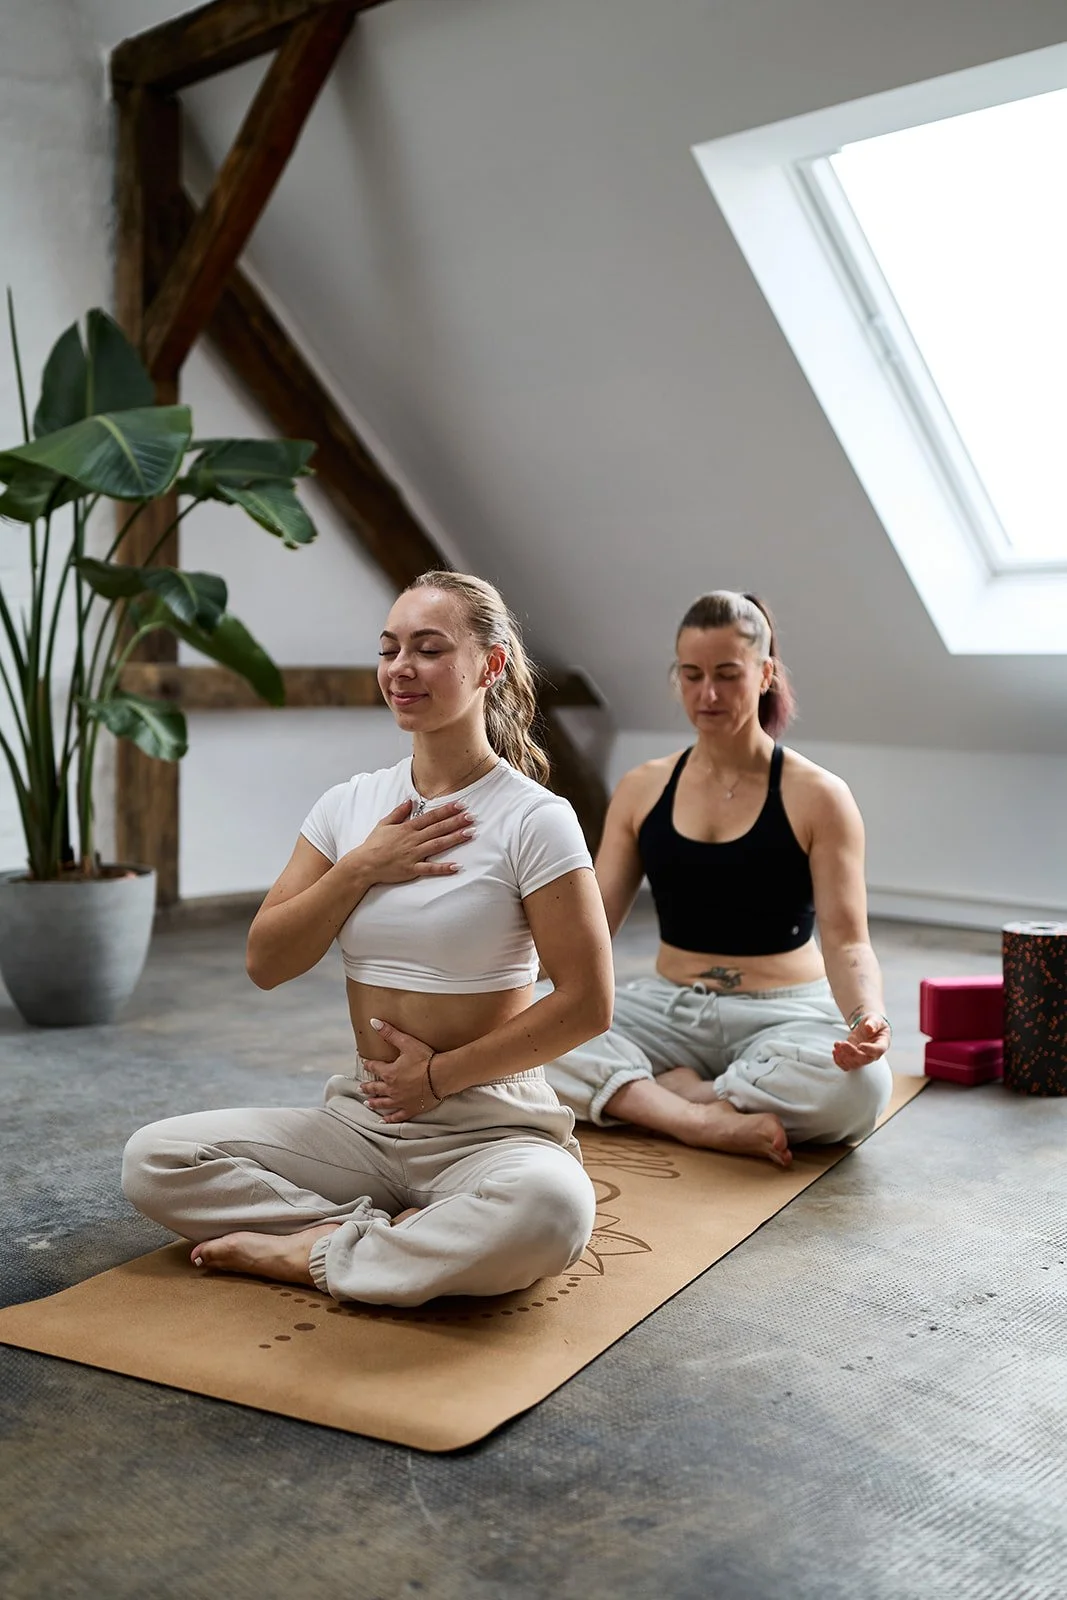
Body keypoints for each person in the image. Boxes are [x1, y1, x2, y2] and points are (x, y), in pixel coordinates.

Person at [122, 572, 613, 1307]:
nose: (400, 669)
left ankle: (316, 1249)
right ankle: (379, 1239)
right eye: (389, 650)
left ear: (490, 665)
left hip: (489, 1125)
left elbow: (586, 1004)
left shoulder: (532, 819)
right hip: (366, 1118)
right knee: (154, 1160)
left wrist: (440, 1078)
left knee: (551, 1212)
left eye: (428, 648)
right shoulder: (350, 807)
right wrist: (359, 869)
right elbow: (266, 961)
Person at [542, 590, 893, 1169]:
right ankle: (697, 1117)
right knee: (515, 1032)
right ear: (676, 677)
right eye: (692, 674)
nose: (708, 694)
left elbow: (849, 939)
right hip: (664, 1010)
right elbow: (593, 921)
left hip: (783, 1013)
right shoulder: (643, 787)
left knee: (862, 1090)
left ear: (765, 674)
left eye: (728, 675)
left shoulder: (819, 795)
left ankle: (676, 1092)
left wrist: (866, 1017)